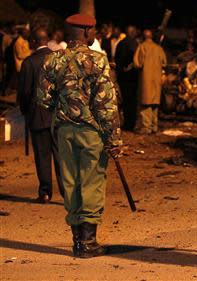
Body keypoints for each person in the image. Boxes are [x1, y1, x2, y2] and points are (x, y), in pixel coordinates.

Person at [37, 13, 122, 258]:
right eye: (93, 30)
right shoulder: (98, 60)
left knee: (71, 183)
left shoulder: (53, 60)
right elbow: (106, 105)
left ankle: (76, 241)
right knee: (92, 183)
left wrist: (63, 107)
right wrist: (114, 140)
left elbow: (43, 99)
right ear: (86, 32)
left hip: (63, 131)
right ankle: (88, 243)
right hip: (91, 132)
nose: (95, 34)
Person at [17, 28, 63, 203]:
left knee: (42, 156)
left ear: (34, 41)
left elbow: (25, 92)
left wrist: (24, 110)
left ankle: (45, 192)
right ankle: (67, 193)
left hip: (37, 116)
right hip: (58, 115)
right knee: (61, 157)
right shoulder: (58, 58)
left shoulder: (29, 63)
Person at [133, 29, 166, 134]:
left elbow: (137, 63)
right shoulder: (159, 48)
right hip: (156, 79)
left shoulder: (142, 47)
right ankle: (154, 126)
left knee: (145, 104)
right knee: (154, 104)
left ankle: (145, 127)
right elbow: (164, 63)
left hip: (145, 79)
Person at [115, 25, 138, 131]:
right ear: (132, 32)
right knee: (131, 101)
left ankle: (127, 123)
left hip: (122, 77)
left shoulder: (120, 43)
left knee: (125, 100)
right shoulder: (134, 44)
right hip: (132, 77)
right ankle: (131, 123)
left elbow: (117, 59)